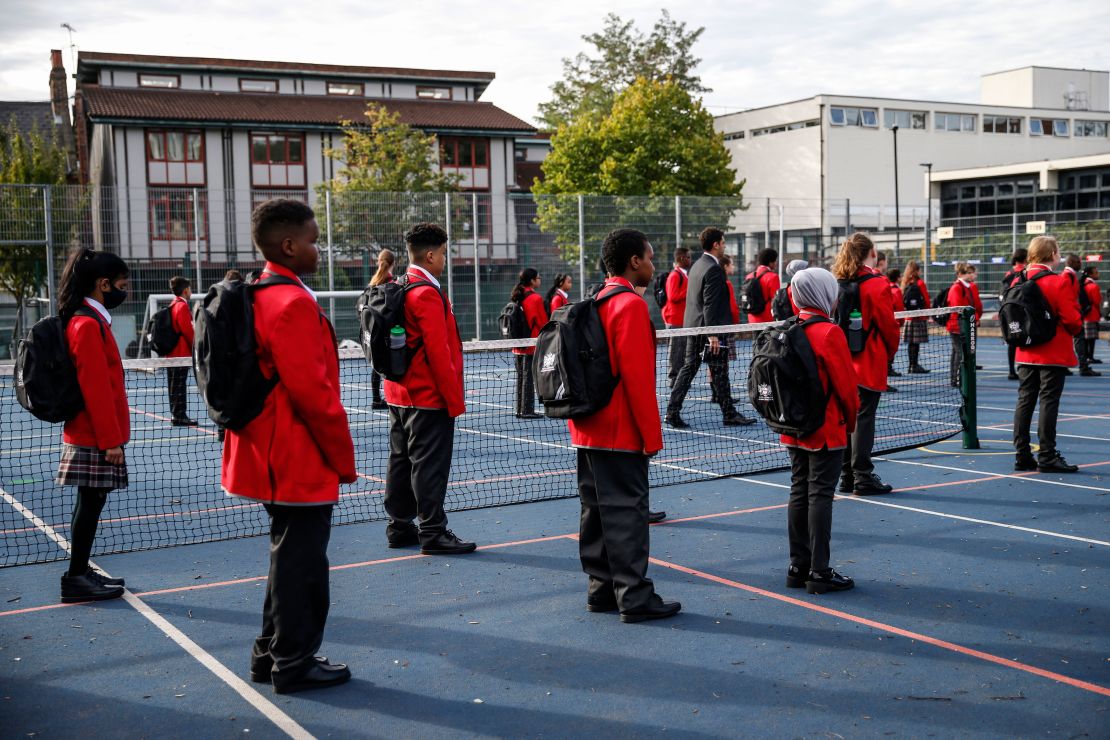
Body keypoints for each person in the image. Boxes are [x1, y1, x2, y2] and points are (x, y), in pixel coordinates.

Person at [224, 199, 356, 693]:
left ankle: (270, 654)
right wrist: (343, 461)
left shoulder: (258, 291)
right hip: (294, 457)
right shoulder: (292, 302)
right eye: (313, 239)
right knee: (302, 569)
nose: (318, 247)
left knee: (287, 560)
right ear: (289, 245)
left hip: (268, 452)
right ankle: (294, 663)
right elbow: (315, 397)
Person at [570, 228, 680, 623]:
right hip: (620, 430)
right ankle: (633, 595)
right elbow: (637, 379)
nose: (654, 266)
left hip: (588, 428)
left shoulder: (596, 298)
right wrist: (652, 437)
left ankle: (601, 588)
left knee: (595, 510)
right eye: (650, 258)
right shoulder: (630, 305)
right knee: (627, 512)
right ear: (634, 261)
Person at [383, 222, 476, 555]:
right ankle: (434, 532)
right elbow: (440, 353)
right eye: (445, 254)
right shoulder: (426, 293)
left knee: (401, 462)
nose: (445, 260)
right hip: (427, 396)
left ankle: (399, 526)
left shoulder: (401, 284)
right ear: (432, 255)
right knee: (429, 465)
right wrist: (454, 401)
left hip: (399, 393)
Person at [54, 248, 131, 604]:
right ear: (103, 284)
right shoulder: (86, 325)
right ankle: (75, 577)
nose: (122, 290)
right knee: (89, 503)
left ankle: (81, 571)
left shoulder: (93, 321)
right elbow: (96, 389)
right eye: (120, 284)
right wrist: (110, 442)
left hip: (94, 434)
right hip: (93, 435)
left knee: (92, 501)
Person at [780, 268, 860, 595]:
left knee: (799, 490)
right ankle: (820, 570)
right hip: (825, 428)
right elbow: (846, 390)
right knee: (820, 495)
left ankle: (798, 565)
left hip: (792, 426)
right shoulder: (829, 332)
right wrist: (850, 425)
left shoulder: (786, 328)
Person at [832, 232, 900, 496]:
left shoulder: (836, 282)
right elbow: (888, 326)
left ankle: (846, 475)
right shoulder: (877, 284)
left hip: (841, 360)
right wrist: (889, 353)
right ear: (870, 253)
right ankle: (862, 476)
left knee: (846, 418)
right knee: (863, 419)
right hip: (868, 360)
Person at [665, 228, 755, 428]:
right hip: (707, 330)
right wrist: (712, 334)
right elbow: (710, 303)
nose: (724, 245)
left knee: (707, 370)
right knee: (713, 370)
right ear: (715, 244)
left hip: (696, 328)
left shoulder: (698, 265)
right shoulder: (712, 269)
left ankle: (676, 411)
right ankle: (726, 413)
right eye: (723, 242)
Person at [1012, 235, 1083, 474]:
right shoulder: (1058, 281)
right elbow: (1073, 321)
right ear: (1052, 254)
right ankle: (1047, 454)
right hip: (1052, 351)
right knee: (1048, 402)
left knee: (1025, 401)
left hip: (1025, 350)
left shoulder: (1017, 279)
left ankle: (1022, 454)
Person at [510, 268, 548, 419]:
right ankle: (527, 410)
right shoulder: (535, 298)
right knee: (529, 378)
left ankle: (520, 408)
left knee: (521, 377)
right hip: (531, 344)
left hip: (517, 344)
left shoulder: (517, 295)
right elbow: (543, 322)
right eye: (538, 278)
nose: (540, 280)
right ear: (532, 280)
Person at [944, 262, 983, 388]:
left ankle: (960, 377)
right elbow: (958, 308)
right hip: (958, 325)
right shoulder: (956, 288)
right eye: (969, 273)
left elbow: (975, 304)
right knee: (959, 352)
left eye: (972, 272)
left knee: (963, 352)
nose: (973, 275)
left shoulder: (970, 287)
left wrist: (976, 317)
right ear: (961, 274)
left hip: (967, 324)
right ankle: (955, 378)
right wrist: (972, 317)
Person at [166, 276, 197, 426]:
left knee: (174, 385)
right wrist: (197, 347)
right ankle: (180, 415)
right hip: (180, 353)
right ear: (185, 290)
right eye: (190, 289)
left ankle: (176, 413)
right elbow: (187, 330)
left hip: (172, 353)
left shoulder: (173, 304)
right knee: (179, 384)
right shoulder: (182, 306)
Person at [369, 249, 397, 410]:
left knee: (376, 365)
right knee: (389, 365)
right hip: (385, 330)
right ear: (394, 263)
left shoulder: (373, 281)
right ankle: (392, 397)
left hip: (373, 330)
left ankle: (376, 399)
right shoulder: (390, 282)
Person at [662, 247, 691, 388]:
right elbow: (673, 296)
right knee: (675, 351)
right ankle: (673, 378)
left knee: (682, 350)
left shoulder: (684, 275)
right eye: (688, 257)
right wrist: (689, 289)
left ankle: (680, 378)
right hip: (675, 319)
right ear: (681, 259)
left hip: (683, 319)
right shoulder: (675, 275)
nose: (690, 260)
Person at [1000, 249, 1028, 380]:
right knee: (1025, 339)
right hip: (1022, 310)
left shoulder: (1009, 273)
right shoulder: (1024, 273)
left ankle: (1012, 370)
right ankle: (1023, 368)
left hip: (1010, 310)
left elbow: (1004, 293)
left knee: (1012, 341)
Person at [899, 261, 931, 374]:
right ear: (917, 271)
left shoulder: (905, 283)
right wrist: (927, 313)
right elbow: (926, 300)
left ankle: (911, 365)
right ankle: (914, 365)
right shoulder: (920, 283)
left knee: (911, 343)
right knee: (916, 343)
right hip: (919, 316)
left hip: (908, 317)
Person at [743, 248, 781, 324]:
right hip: (767, 319)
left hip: (752, 318)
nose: (776, 263)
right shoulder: (773, 277)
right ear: (771, 262)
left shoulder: (749, 276)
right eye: (775, 261)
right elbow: (776, 301)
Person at [1079, 265, 1102, 375]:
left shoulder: (1083, 284)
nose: (1098, 274)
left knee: (1086, 339)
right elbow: (1097, 302)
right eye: (1096, 272)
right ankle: (1089, 357)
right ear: (1091, 274)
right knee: (1091, 339)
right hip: (1092, 314)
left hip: (1085, 315)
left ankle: (1088, 357)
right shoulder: (1093, 286)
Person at [886, 268, 906, 381]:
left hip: (889, 319)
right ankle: (888, 368)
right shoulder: (896, 291)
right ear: (898, 277)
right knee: (892, 345)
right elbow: (899, 307)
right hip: (895, 321)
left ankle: (888, 368)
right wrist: (901, 321)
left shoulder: (886, 287)